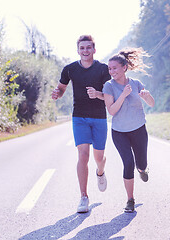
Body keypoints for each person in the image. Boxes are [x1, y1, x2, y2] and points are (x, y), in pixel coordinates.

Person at [51, 35, 111, 213]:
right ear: (78, 50)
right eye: (82, 48)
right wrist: (57, 94)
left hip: (100, 117)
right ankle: (83, 197)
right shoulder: (70, 69)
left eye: (88, 48)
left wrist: (98, 94)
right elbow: (61, 89)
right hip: (79, 117)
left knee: (99, 158)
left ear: (94, 49)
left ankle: (100, 172)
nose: (85, 51)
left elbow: (110, 94)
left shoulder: (103, 69)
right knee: (83, 155)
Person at [102, 48, 155, 213]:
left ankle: (143, 169)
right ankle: (130, 199)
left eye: (115, 68)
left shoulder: (136, 83)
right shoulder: (108, 86)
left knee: (141, 163)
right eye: (110, 69)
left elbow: (152, 104)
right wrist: (123, 95)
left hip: (138, 129)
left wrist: (146, 96)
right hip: (119, 132)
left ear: (124, 67)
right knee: (128, 163)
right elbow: (111, 111)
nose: (112, 72)